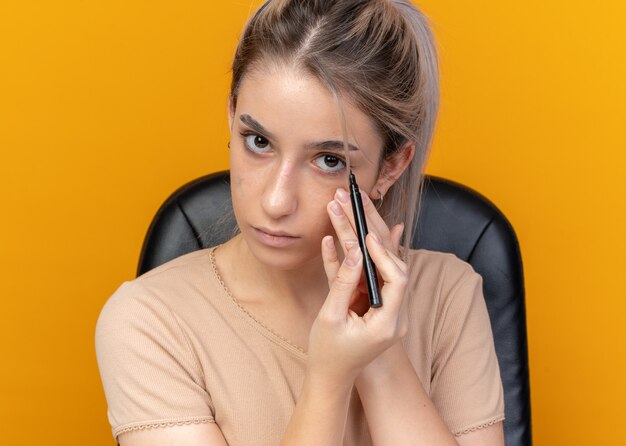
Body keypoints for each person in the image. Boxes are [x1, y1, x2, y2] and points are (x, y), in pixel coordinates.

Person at [95, 1, 506, 445]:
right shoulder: (150, 321)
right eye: (258, 141)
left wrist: (380, 354)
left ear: (391, 167)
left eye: (328, 160)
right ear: (231, 115)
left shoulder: (449, 296)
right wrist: (328, 379)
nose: (275, 201)